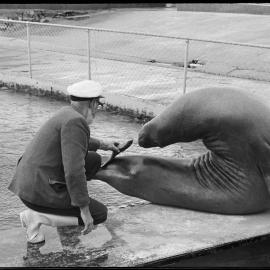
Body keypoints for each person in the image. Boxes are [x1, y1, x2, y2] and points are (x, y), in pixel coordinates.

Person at [8, 80, 120, 244]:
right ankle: (36, 218)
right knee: (99, 214)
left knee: (94, 159)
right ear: (92, 103)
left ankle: (66, 201)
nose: (98, 110)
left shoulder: (66, 113)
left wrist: (104, 145)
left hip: (29, 183)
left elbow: (74, 141)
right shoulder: (75, 121)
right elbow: (74, 171)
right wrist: (84, 208)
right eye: (99, 104)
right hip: (37, 191)